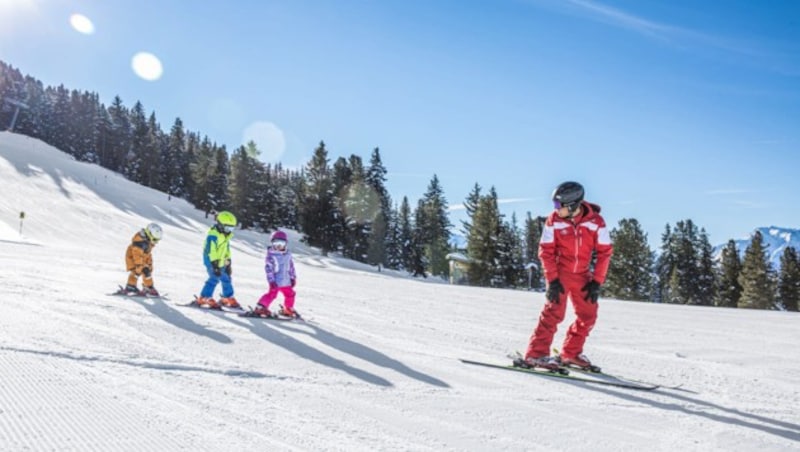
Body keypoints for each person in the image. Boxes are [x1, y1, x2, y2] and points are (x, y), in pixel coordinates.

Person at [523, 181, 613, 370]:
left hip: (582, 276)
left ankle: (571, 353)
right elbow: (545, 251)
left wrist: (597, 281)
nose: (555, 209)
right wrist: (552, 280)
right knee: (553, 313)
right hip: (560, 274)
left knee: (588, 316)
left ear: (572, 206)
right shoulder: (553, 221)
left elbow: (605, 252)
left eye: (558, 205)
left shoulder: (596, 222)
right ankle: (536, 354)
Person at [196, 211, 241, 309]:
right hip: (211, 260)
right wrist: (214, 264)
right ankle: (204, 297)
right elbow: (212, 250)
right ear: (220, 225)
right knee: (214, 278)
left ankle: (227, 297)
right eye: (227, 228)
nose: (229, 230)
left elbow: (226, 249)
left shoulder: (225, 236)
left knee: (226, 278)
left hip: (221, 261)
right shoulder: (213, 235)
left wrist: (228, 262)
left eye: (231, 228)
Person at [252, 230, 297, 318]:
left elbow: (291, 266)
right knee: (272, 294)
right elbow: (269, 269)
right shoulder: (271, 256)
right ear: (272, 243)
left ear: (286, 244)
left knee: (291, 294)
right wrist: (271, 281)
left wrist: (292, 277)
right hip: (276, 281)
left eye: (282, 243)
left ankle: (288, 309)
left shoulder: (288, 254)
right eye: (276, 243)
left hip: (286, 280)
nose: (279, 246)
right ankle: (260, 307)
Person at [124, 223, 162, 296]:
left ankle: (148, 287)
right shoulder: (139, 242)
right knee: (137, 271)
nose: (155, 242)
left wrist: (149, 263)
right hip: (133, 258)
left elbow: (147, 253)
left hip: (142, 257)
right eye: (155, 239)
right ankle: (130, 287)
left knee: (147, 271)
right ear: (150, 234)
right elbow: (136, 254)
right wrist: (139, 265)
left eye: (157, 240)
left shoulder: (147, 241)